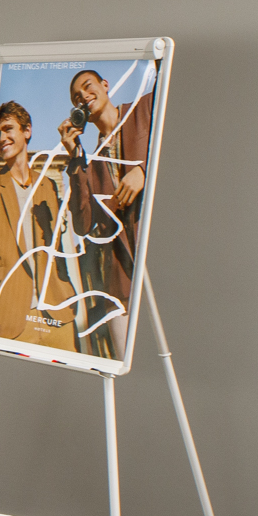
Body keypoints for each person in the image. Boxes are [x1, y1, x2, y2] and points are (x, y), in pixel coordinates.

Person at [59, 66, 152, 359]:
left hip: (162, 262)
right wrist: (74, 156)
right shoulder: (90, 162)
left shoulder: (145, 109)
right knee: (126, 367)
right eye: (76, 97)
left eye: (88, 87)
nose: (84, 97)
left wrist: (144, 170)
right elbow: (83, 224)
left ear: (105, 85)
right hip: (122, 281)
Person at [0, 100, 78, 351]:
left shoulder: (47, 186)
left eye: (8, 129)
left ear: (26, 131)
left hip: (57, 315)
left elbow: (58, 249)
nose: (2, 138)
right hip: (10, 320)